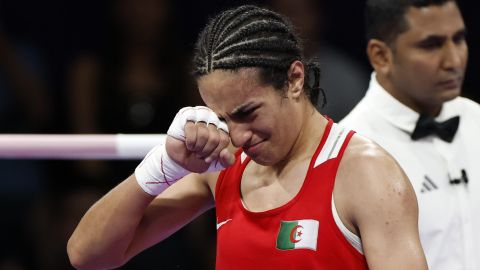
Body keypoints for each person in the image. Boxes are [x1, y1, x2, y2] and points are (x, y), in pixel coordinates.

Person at [67, 5, 427, 269]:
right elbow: (87, 255)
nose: (237, 137)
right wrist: (162, 167)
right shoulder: (222, 167)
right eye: (223, 119)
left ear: (294, 79)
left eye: (247, 112)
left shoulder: (367, 175)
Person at [340, 0, 479, 269]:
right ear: (381, 56)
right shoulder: (348, 151)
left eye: (459, 39)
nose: (453, 61)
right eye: (431, 45)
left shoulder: (477, 121)